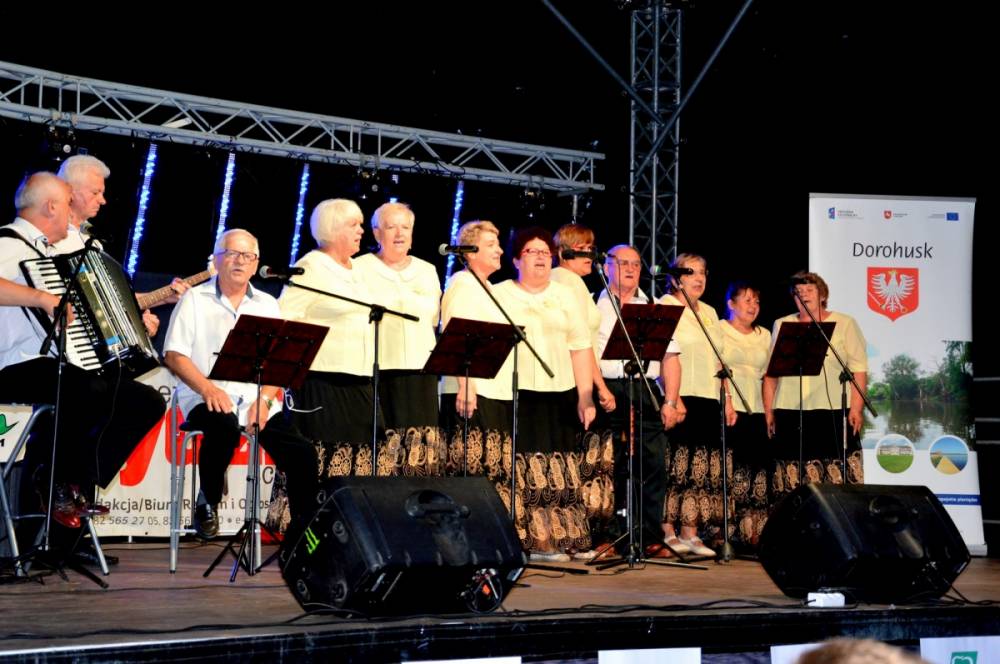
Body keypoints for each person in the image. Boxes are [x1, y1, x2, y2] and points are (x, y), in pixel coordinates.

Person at [0, 172, 165, 532]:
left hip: (51, 365)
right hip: (11, 365)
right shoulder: (9, 242)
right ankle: (52, 481)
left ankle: (75, 480)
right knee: (84, 387)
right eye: (67, 203)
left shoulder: (50, 253)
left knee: (145, 401)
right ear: (51, 206)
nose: (73, 210)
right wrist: (40, 297)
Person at [163, 229, 319, 539]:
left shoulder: (267, 303)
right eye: (232, 254)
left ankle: (304, 533)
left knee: (302, 452)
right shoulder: (194, 299)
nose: (240, 261)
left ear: (256, 263)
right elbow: (174, 355)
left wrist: (264, 401)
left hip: (254, 401)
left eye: (248, 256)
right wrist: (208, 388)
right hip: (205, 396)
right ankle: (207, 501)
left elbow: (278, 366)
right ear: (217, 259)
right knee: (223, 426)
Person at [494, 226, 596, 562]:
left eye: (544, 252)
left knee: (563, 466)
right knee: (528, 467)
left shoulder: (565, 294)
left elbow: (580, 347)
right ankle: (538, 542)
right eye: (531, 251)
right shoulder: (500, 294)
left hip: (561, 391)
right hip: (519, 392)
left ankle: (568, 537)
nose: (540, 257)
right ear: (515, 260)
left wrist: (585, 396)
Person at [276, 199, 384, 476]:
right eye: (353, 225)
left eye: (361, 224)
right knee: (321, 460)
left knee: (360, 461)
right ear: (333, 228)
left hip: (359, 378)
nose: (361, 230)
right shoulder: (311, 266)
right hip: (321, 380)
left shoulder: (358, 269)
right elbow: (284, 317)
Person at [596, 245, 683, 559]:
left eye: (636, 264)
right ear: (607, 266)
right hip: (608, 389)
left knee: (652, 464)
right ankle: (609, 536)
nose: (631, 269)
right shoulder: (593, 304)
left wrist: (671, 400)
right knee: (611, 465)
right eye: (623, 263)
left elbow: (671, 359)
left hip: (645, 389)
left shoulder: (653, 306)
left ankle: (648, 536)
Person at [54, 155, 188, 335]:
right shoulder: (49, 236)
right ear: (69, 191)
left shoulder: (91, 240)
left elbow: (108, 301)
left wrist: (165, 298)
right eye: (95, 192)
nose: (103, 200)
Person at [763, 271, 868, 492]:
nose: (803, 294)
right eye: (798, 292)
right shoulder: (782, 324)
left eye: (809, 290)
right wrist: (769, 411)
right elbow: (771, 375)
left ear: (823, 295)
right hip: (790, 410)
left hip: (832, 410)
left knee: (835, 473)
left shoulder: (845, 323)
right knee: (792, 474)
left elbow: (858, 369)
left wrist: (856, 409)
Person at [657, 252, 732, 557]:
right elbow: (660, 357)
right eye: (691, 273)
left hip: (709, 397)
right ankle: (667, 531)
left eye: (703, 272)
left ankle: (690, 532)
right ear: (676, 279)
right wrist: (672, 398)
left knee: (700, 469)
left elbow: (719, 360)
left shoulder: (710, 312)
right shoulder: (666, 305)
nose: (699, 278)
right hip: (682, 397)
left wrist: (727, 399)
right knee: (676, 467)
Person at [354, 202, 441, 432]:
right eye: (391, 227)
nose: (399, 233)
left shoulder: (427, 270)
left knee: (420, 441)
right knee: (383, 438)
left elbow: (433, 322)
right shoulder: (359, 268)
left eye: (405, 227)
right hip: (378, 368)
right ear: (377, 233)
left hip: (421, 370)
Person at [440, 220, 513, 439]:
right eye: (491, 245)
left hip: (491, 390)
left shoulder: (488, 287)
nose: (499, 250)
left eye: (498, 244)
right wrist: (466, 385)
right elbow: (456, 337)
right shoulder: (462, 284)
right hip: (471, 392)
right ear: (470, 253)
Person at [719, 281, 772, 549]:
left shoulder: (765, 334)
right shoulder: (719, 329)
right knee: (732, 471)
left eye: (757, 301)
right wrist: (727, 401)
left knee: (757, 473)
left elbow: (769, 376)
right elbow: (718, 368)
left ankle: (755, 534)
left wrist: (770, 411)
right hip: (732, 409)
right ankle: (727, 534)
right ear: (731, 304)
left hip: (758, 410)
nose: (753, 306)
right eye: (747, 300)